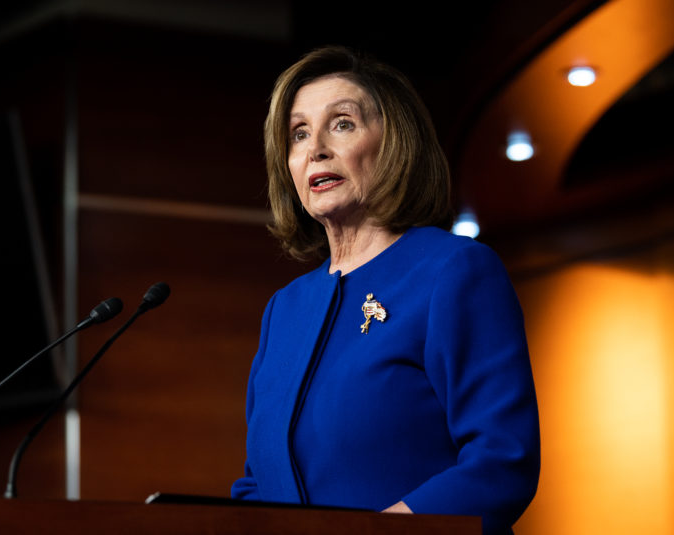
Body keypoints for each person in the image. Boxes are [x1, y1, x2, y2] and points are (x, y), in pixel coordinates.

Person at [231, 45, 540, 535]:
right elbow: (258, 481)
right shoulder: (284, 310)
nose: (316, 149)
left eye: (343, 123)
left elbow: (502, 462)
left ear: (395, 142)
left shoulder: (453, 271)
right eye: (299, 133)